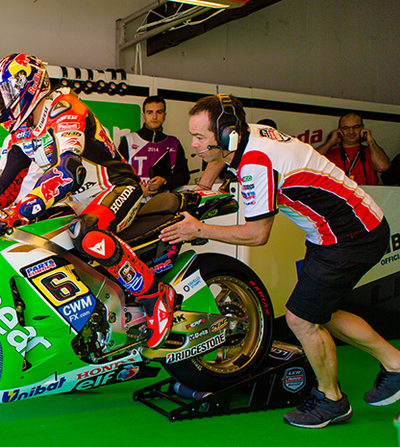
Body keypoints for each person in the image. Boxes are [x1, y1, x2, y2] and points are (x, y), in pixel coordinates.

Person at [160, 94, 400, 429]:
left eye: (200, 137)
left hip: (350, 235)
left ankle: (331, 400)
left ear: (227, 134)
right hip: (334, 231)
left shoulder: (257, 163)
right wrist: (202, 188)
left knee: (302, 318)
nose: (194, 144)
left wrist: (197, 229)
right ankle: (396, 364)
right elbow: (216, 158)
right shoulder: (245, 135)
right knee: (319, 312)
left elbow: (257, 234)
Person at [0, 53, 176, 349]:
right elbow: (5, 185)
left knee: (84, 232)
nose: (2, 103)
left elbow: (69, 170)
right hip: (80, 200)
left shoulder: (64, 107)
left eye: (6, 93)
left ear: (29, 84)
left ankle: (154, 294)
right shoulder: (21, 134)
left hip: (117, 186)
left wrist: (18, 211)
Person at [118, 96, 190, 199]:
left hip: (163, 204)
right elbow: (117, 175)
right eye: (150, 112)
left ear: (164, 115)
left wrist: (164, 181)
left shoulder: (174, 143)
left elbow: (184, 176)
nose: (154, 117)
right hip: (135, 203)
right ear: (144, 116)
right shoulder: (129, 140)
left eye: (159, 112)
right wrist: (136, 190)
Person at [315, 112, 390, 185]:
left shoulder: (372, 151)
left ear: (362, 128)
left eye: (356, 127)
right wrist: (331, 141)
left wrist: (370, 140)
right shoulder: (331, 153)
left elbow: (382, 167)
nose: (351, 132)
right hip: (338, 196)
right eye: (345, 128)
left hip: (366, 196)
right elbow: (310, 160)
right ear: (339, 130)